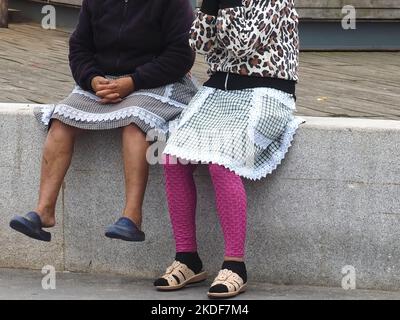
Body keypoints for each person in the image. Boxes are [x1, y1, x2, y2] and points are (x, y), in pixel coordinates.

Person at [9, 0, 197, 242]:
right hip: (103, 84)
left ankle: (131, 218)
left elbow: (181, 54)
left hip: (156, 82)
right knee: (62, 119)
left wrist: (133, 81)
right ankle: (43, 211)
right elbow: (79, 47)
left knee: (135, 122)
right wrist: (92, 78)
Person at [154, 0, 303, 298]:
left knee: (222, 160)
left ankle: (235, 265)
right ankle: (188, 259)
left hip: (268, 92)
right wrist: (210, 5)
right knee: (172, 157)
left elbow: (242, 46)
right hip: (218, 92)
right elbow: (200, 42)